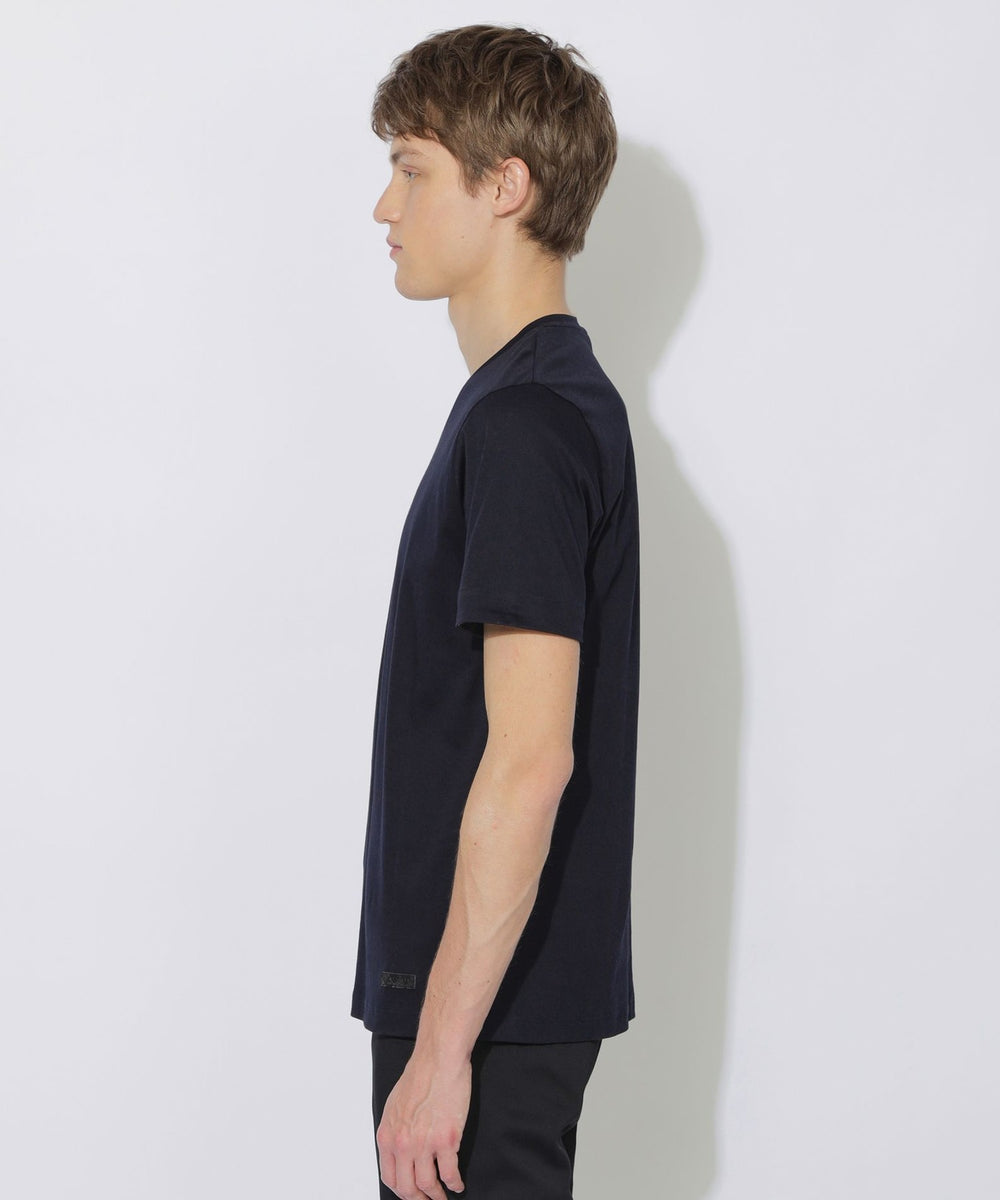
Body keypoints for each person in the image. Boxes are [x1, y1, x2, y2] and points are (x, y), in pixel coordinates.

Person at [351, 24, 640, 1200]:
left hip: (485, 1024)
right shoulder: (526, 405)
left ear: (505, 185)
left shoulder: (526, 425)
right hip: (491, 1011)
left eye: (412, 169)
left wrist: (439, 1054)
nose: (385, 206)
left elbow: (529, 761)